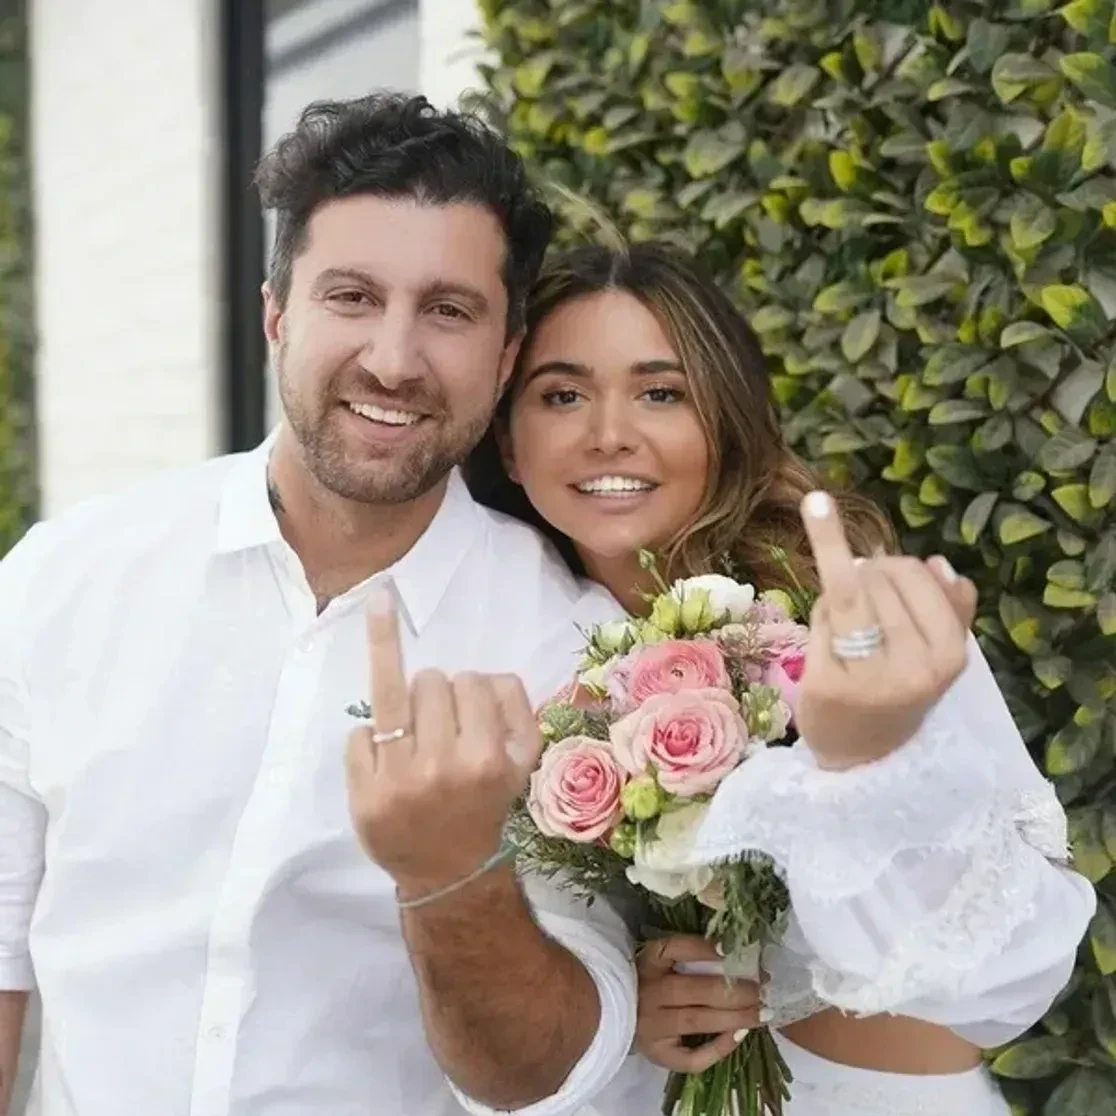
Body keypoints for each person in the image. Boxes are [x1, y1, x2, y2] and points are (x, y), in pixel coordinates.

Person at [0, 93, 641, 1116]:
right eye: (351, 296)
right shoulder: (64, 578)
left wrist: (451, 873)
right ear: (276, 316)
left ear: (506, 354)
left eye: (448, 311)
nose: (393, 359)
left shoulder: (572, 650)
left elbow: (543, 1075)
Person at [465, 241, 1096, 1116]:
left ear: (724, 419)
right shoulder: (513, 643)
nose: (609, 432)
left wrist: (861, 764)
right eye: (562, 395)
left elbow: (1015, 974)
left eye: (661, 392)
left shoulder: (854, 617)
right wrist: (623, 1004)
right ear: (508, 439)